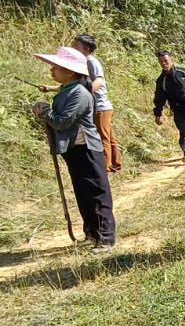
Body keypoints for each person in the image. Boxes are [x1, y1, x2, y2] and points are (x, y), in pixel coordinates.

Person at [32, 46, 116, 251]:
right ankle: (91, 233)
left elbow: (62, 122)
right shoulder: (66, 90)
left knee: (97, 192)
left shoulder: (78, 93)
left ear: (69, 71)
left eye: (55, 67)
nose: (51, 70)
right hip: (74, 148)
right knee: (82, 192)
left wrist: (45, 113)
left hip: (87, 148)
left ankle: (106, 237)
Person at [70, 33, 121, 173]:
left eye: (76, 45)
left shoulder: (91, 62)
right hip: (99, 107)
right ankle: (115, 163)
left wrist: (84, 94)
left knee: (102, 138)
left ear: (86, 49)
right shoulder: (83, 63)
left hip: (100, 107)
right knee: (108, 137)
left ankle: (104, 169)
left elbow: (99, 80)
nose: (73, 47)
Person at [152, 50, 185, 164]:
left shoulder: (183, 72)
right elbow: (159, 98)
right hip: (178, 109)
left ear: (171, 59)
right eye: (161, 62)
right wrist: (158, 114)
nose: (164, 63)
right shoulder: (161, 80)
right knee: (183, 131)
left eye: (166, 60)